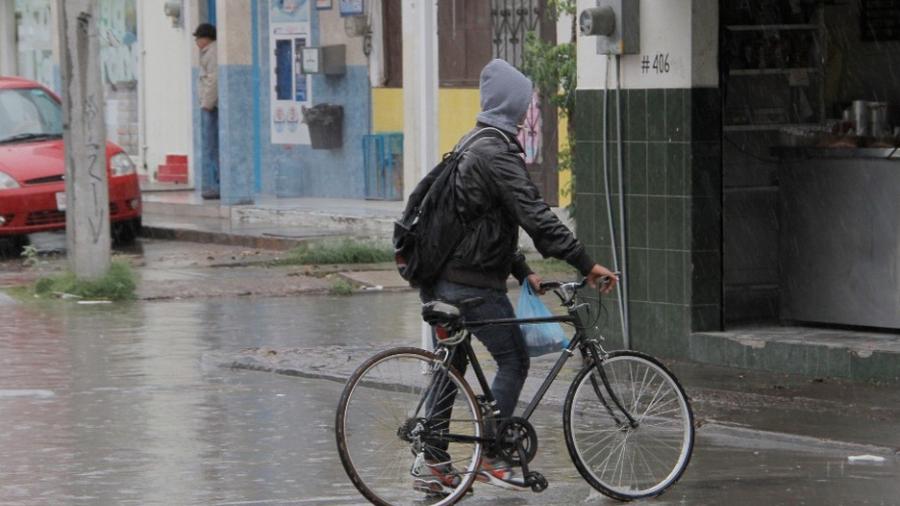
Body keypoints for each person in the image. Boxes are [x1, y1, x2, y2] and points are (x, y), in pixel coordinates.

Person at [414, 59, 618, 494]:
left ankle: (435, 466)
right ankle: (492, 456)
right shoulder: (496, 152)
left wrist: (523, 270)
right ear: (512, 104)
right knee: (514, 359)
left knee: (453, 365)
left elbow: (483, 219)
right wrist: (585, 262)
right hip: (470, 286)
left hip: (445, 279)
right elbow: (534, 215)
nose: (528, 113)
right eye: (525, 104)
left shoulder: (473, 141)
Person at [194, 23, 219, 200]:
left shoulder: (212, 52)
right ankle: (216, 184)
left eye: (198, 38)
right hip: (209, 105)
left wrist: (207, 103)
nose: (196, 41)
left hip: (211, 106)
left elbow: (213, 80)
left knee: (213, 146)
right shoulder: (207, 52)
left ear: (206, 38)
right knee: (211, 147)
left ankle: (218, 185)